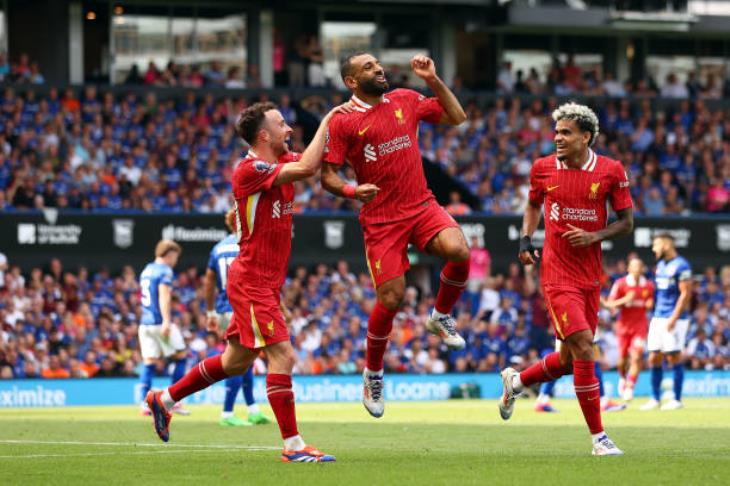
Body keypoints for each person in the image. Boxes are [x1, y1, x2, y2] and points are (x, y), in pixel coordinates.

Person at [146, 100, 347, 462]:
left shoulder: (280, 160)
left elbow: (311, 163)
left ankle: (165, 399)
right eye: (282, 124)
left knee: (236, 362)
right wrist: (330, 118)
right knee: (282, 354)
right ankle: (293, 446)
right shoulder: (249, 169)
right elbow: (307, 165)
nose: (289, 129)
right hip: (252, 279)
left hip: (264, 281)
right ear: (264, 135)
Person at [321, 52, 469, 419]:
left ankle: (441, 315)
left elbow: (457, 116)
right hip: (381, 219)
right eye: (368, 67)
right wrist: (353, 192)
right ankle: (373, 372)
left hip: (421, 205)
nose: (379, 69)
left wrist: (432, 80)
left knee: (459, 250)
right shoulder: (342, 121)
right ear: (352, 81)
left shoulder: (404, 98)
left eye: (377, 64)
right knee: (392, 297)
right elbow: (327, 175)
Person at [498, 102, 634, 456]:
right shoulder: (542, 168)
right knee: (586, 345)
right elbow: (532, 205)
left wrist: (594, 236)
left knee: (570, 360)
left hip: (590, 275)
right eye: (556, 132)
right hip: (557, 274)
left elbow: (627, 222)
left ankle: (516, 381)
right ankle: (599, 439)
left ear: (586, 137)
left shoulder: (610, 171)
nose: (557, 138)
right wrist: (526, 239)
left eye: (566, 133)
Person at [204, 209, 272, 427]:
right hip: (242, 307)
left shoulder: (217, 248)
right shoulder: (248, 245)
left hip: (223, 307)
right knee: (237, 360)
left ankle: (252, 409)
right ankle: (227, 412)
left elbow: (208, 281)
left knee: (246, 359)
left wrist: (210, 312)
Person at [640, 234, 692, 411]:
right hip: (658, 316)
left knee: (673, 356)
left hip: (675, 318)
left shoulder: (682, 265)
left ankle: (677, 399)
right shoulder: (661, 266)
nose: (653, 249)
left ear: (666, 244)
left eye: (656, 245)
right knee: (654, 356)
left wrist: (674, 318)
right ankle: (655, 398)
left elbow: (685, 294)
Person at [138, 240, 189, 416]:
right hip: (160, 321)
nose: (175, 260)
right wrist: (167, 320)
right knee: (181, 356)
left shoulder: (147, 269)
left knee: (149, 363)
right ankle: (172, 401)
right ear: (169, 254)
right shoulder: (165, 270)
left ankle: (144, 405)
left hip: (145, 324)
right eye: (175, 256)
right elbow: (164, 296)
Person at [604, 257, 654, 401]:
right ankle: (622, 377)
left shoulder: (648, 285)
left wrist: (650, 303)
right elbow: (610, 304)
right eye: (634, 266)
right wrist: (626, 300)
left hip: (640, 326)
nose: (637, 269)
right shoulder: (621, 284)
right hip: (624, 327)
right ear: (629, 269)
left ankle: (630, 387)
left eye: (640, 266)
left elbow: (650, 300)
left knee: (637, 356)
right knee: (622, 359)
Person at [534, 337, 627, 413]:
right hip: (573, 330)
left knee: (591, 363)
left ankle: (542, 399)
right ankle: (603, 401)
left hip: (573, 330)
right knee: (560, 363)